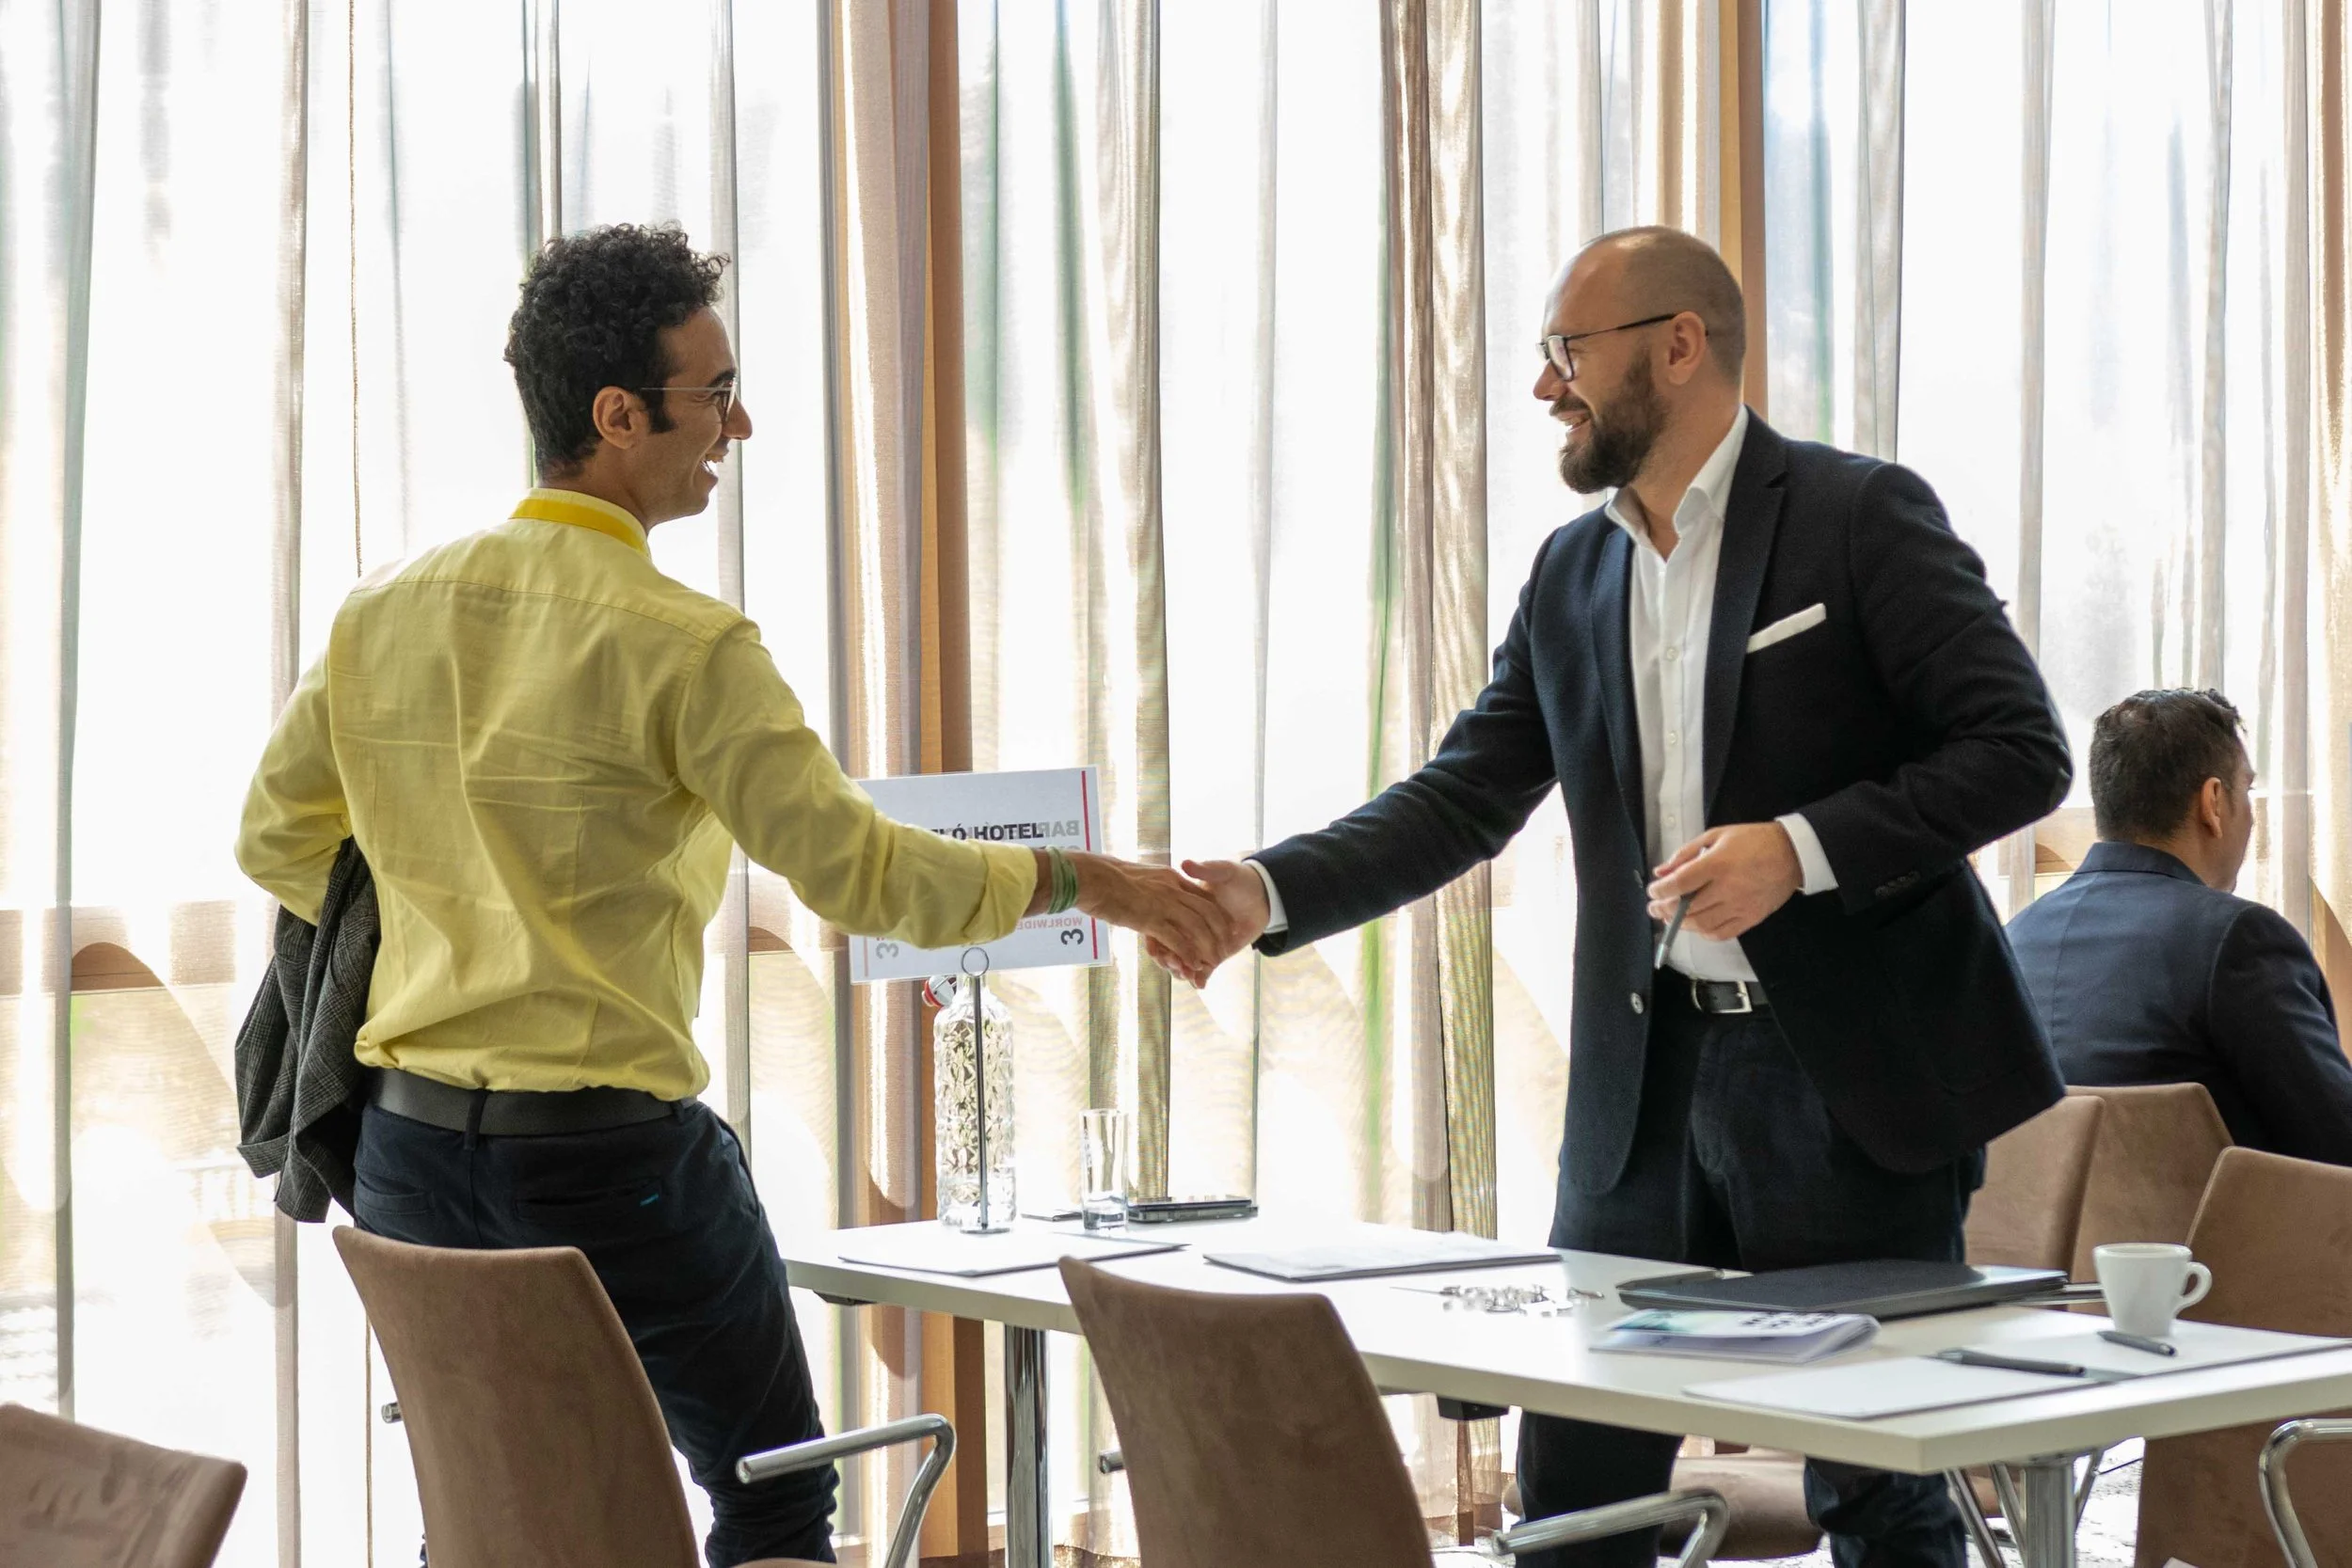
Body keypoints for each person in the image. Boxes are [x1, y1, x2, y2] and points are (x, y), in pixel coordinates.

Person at [235, 223, 1229, 1567]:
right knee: (770, 1495)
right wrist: (1084, 876)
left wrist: (449, 891)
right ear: (615, 415)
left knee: (496, 1512)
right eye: (713, 394)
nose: (738, 423)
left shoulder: (384, 611)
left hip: (405, 1159)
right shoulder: (689, 647)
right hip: (606, 1162)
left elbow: (279, 836)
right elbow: (865, 875)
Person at [1152, 227, 2071, 1568]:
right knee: (1574, 1489)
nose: (1546, 387)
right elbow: (1463, 795)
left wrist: (1800, 848)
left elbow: (2019, 748)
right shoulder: (1572, 573)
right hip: (1644, 1088)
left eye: (1566, 352)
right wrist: (1265, 888)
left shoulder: (1858, 516)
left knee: (1874, 1485)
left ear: (1679, 343)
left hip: (1850, 1083)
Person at [2007, 689, 2352, 1162]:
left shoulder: (2015, 938)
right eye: (2246, 791)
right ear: (2212, 802)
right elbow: (2338, 1140)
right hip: (2217, 1236)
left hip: (2045, 1236)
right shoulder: (2240, 942)